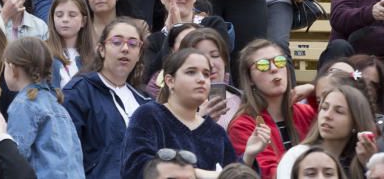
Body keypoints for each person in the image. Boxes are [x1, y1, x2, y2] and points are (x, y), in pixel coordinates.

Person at [120, 49, 264, 179]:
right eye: (191, 72)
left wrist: (248, 156)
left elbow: (234, 176)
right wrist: (195, 173)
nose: (201, 79)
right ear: (170, 81)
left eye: (206, 74)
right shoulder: (149, 115)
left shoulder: (216, 132)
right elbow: (135, 169)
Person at [63, 17, 152, 178]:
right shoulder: (79, 92)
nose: (125, 48)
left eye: (133, 44)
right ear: (101, 49)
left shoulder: (145, 101)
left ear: (139, 54)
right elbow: (65, 153)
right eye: (117, 42)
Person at [228, 39, 316, 179]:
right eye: (263, 65)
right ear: (250, 79)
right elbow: (268, 174)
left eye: (280, 61)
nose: (274, 68)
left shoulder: (306, 112)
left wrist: (315, 91)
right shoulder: (243, 126)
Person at [3, 37, 83, 178]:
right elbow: (76, 154)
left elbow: (16, 157)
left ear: (13, 68)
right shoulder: (57, 105)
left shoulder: (24, 104)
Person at [142, 0, 231, 78]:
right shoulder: (154, 40)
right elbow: (150, 77)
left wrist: (181, 30)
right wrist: (171, 35)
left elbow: (223, 62)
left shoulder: (213, 24)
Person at [275, 86, 378, 179]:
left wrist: (369, 164)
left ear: (355, 123)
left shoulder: (359, 163)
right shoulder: (297, 155)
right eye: (324, 108)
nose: (327, 115)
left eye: (339, 111)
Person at [180, 27, 242, 130]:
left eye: (215, 55)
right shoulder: (174, 106)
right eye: (200, 57)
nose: (210, 64)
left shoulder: (244, 101)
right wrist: (201, 121)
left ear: (225, 60)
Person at [47, 0, 96, 88]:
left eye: (72, 15)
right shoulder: (44, 54)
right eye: (59, 15)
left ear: (83, 21)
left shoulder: (93, 58)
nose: (65, 19)